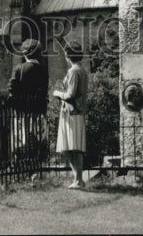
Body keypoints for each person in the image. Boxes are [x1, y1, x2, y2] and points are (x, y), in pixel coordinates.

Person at [53, 41, 89, 189]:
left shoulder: (74, 71)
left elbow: (70, 94)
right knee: (71, 147)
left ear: (68, 55)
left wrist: (57, 93)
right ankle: (77, 179)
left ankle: (78, 179)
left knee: (74, 146)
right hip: (73, 111)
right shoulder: (81, 69)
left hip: (72, 111)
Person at [7, 38, 48, 166]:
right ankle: (36, 166)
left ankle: (20, 166)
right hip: (38, 112)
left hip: (21, 112)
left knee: (20, 140)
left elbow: (11, 88)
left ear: (24, 53)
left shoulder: (19, 69)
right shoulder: (43, 71)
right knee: (36, 139)